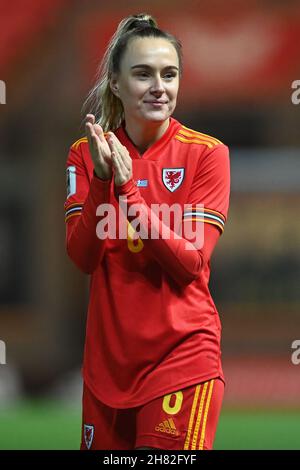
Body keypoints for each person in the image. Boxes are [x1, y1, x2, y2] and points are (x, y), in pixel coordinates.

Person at [64, 13, 230, 451]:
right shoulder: (86, 153)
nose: (160, 86)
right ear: (115, 83)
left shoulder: (207, 155)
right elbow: (82, 258)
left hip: (181, 363)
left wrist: (126, 191)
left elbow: (191, 263)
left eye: (169, 74)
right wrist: (102, 181)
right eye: (143, 74)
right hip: (107, 371)